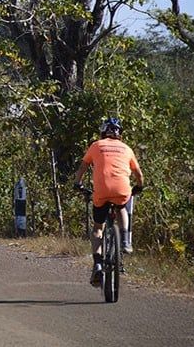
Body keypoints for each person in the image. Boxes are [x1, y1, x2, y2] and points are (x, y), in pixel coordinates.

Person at [72, 117, 145, 286]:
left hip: (101, 192)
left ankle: (98, 263)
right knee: (121, 208)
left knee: (98, 228)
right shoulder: (127, 149)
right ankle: (126, 242)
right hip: (121, 190)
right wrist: (139, 187)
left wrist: (78, 183)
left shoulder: (96, 145)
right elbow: (139, 175)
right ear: (120, 134)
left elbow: (82, 167)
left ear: (103, 132)